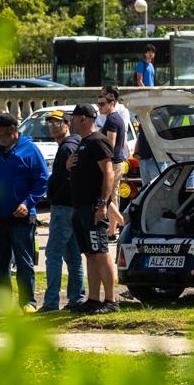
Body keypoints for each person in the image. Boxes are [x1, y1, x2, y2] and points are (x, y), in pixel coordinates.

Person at [0, 112, 49, 314]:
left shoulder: (30, 150)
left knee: (24, 261)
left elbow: (42, 180)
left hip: (21, 218)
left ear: (12, 130)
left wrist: (28, 203)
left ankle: (28, 302)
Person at [67, 103, 119, 313]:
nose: (71, 122)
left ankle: (111, 300)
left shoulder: (98, 141)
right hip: (80, 207)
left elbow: (109, 173)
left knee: (100, 252)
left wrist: (102, 204)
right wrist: (68, 166)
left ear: (83, 119)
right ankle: (93, 298)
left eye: (74, 117)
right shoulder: (83, 143)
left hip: (93, 207)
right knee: (90, 253)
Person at [40, 111, 85, 312]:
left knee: (53, 255)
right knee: (73, 256)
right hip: (71, 208)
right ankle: (76, 299)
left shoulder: (67, 147)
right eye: (50, 123)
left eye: (57, 123)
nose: (53, 126)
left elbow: (71, 179)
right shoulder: (70, 145)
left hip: (64, 208)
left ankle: (51, 303)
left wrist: (55, 194)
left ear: (67, 125)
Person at [98, 85, 131, 181]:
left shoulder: (118, 113)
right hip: (112, 159)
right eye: (98, 104)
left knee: (111, 189)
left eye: (104, 94)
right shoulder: (107, 114)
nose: (99, 106)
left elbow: (110, 144)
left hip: (114, 159)